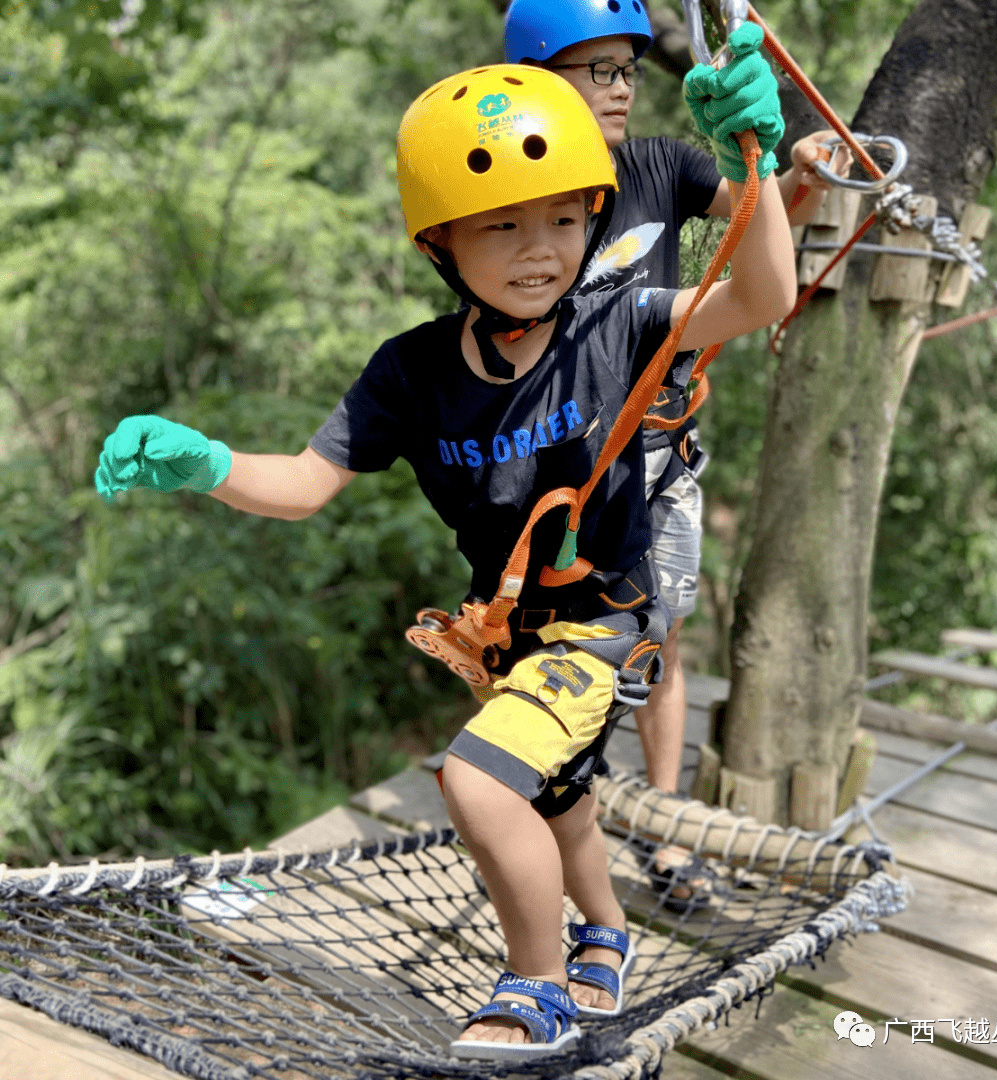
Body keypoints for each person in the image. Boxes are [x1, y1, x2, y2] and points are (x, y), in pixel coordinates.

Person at [94, 44, 795, 1059]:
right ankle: (606, 930)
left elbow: (761, 297)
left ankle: (537, 986)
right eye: (502, 225)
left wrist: (756, 167)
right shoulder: (411, 374)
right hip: (505, 629)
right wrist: (200, 461)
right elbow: (301, 484)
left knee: (479, 782)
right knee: (554, 795)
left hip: (604, 618)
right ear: (441, 244)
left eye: (565, 218)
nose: (541, 248)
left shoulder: (618, 327)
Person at [504, 0, 847, 903]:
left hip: (659, 448)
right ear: (543, 82)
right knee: (555, 642)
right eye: (599, 71)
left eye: (629, 70)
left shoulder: (658, 163)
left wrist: (778, 164)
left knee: (663, 636)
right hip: (565, 469)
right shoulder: (520, 199)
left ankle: (667, 832)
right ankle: (554, 823)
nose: (622, 89)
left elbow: (749, 216)